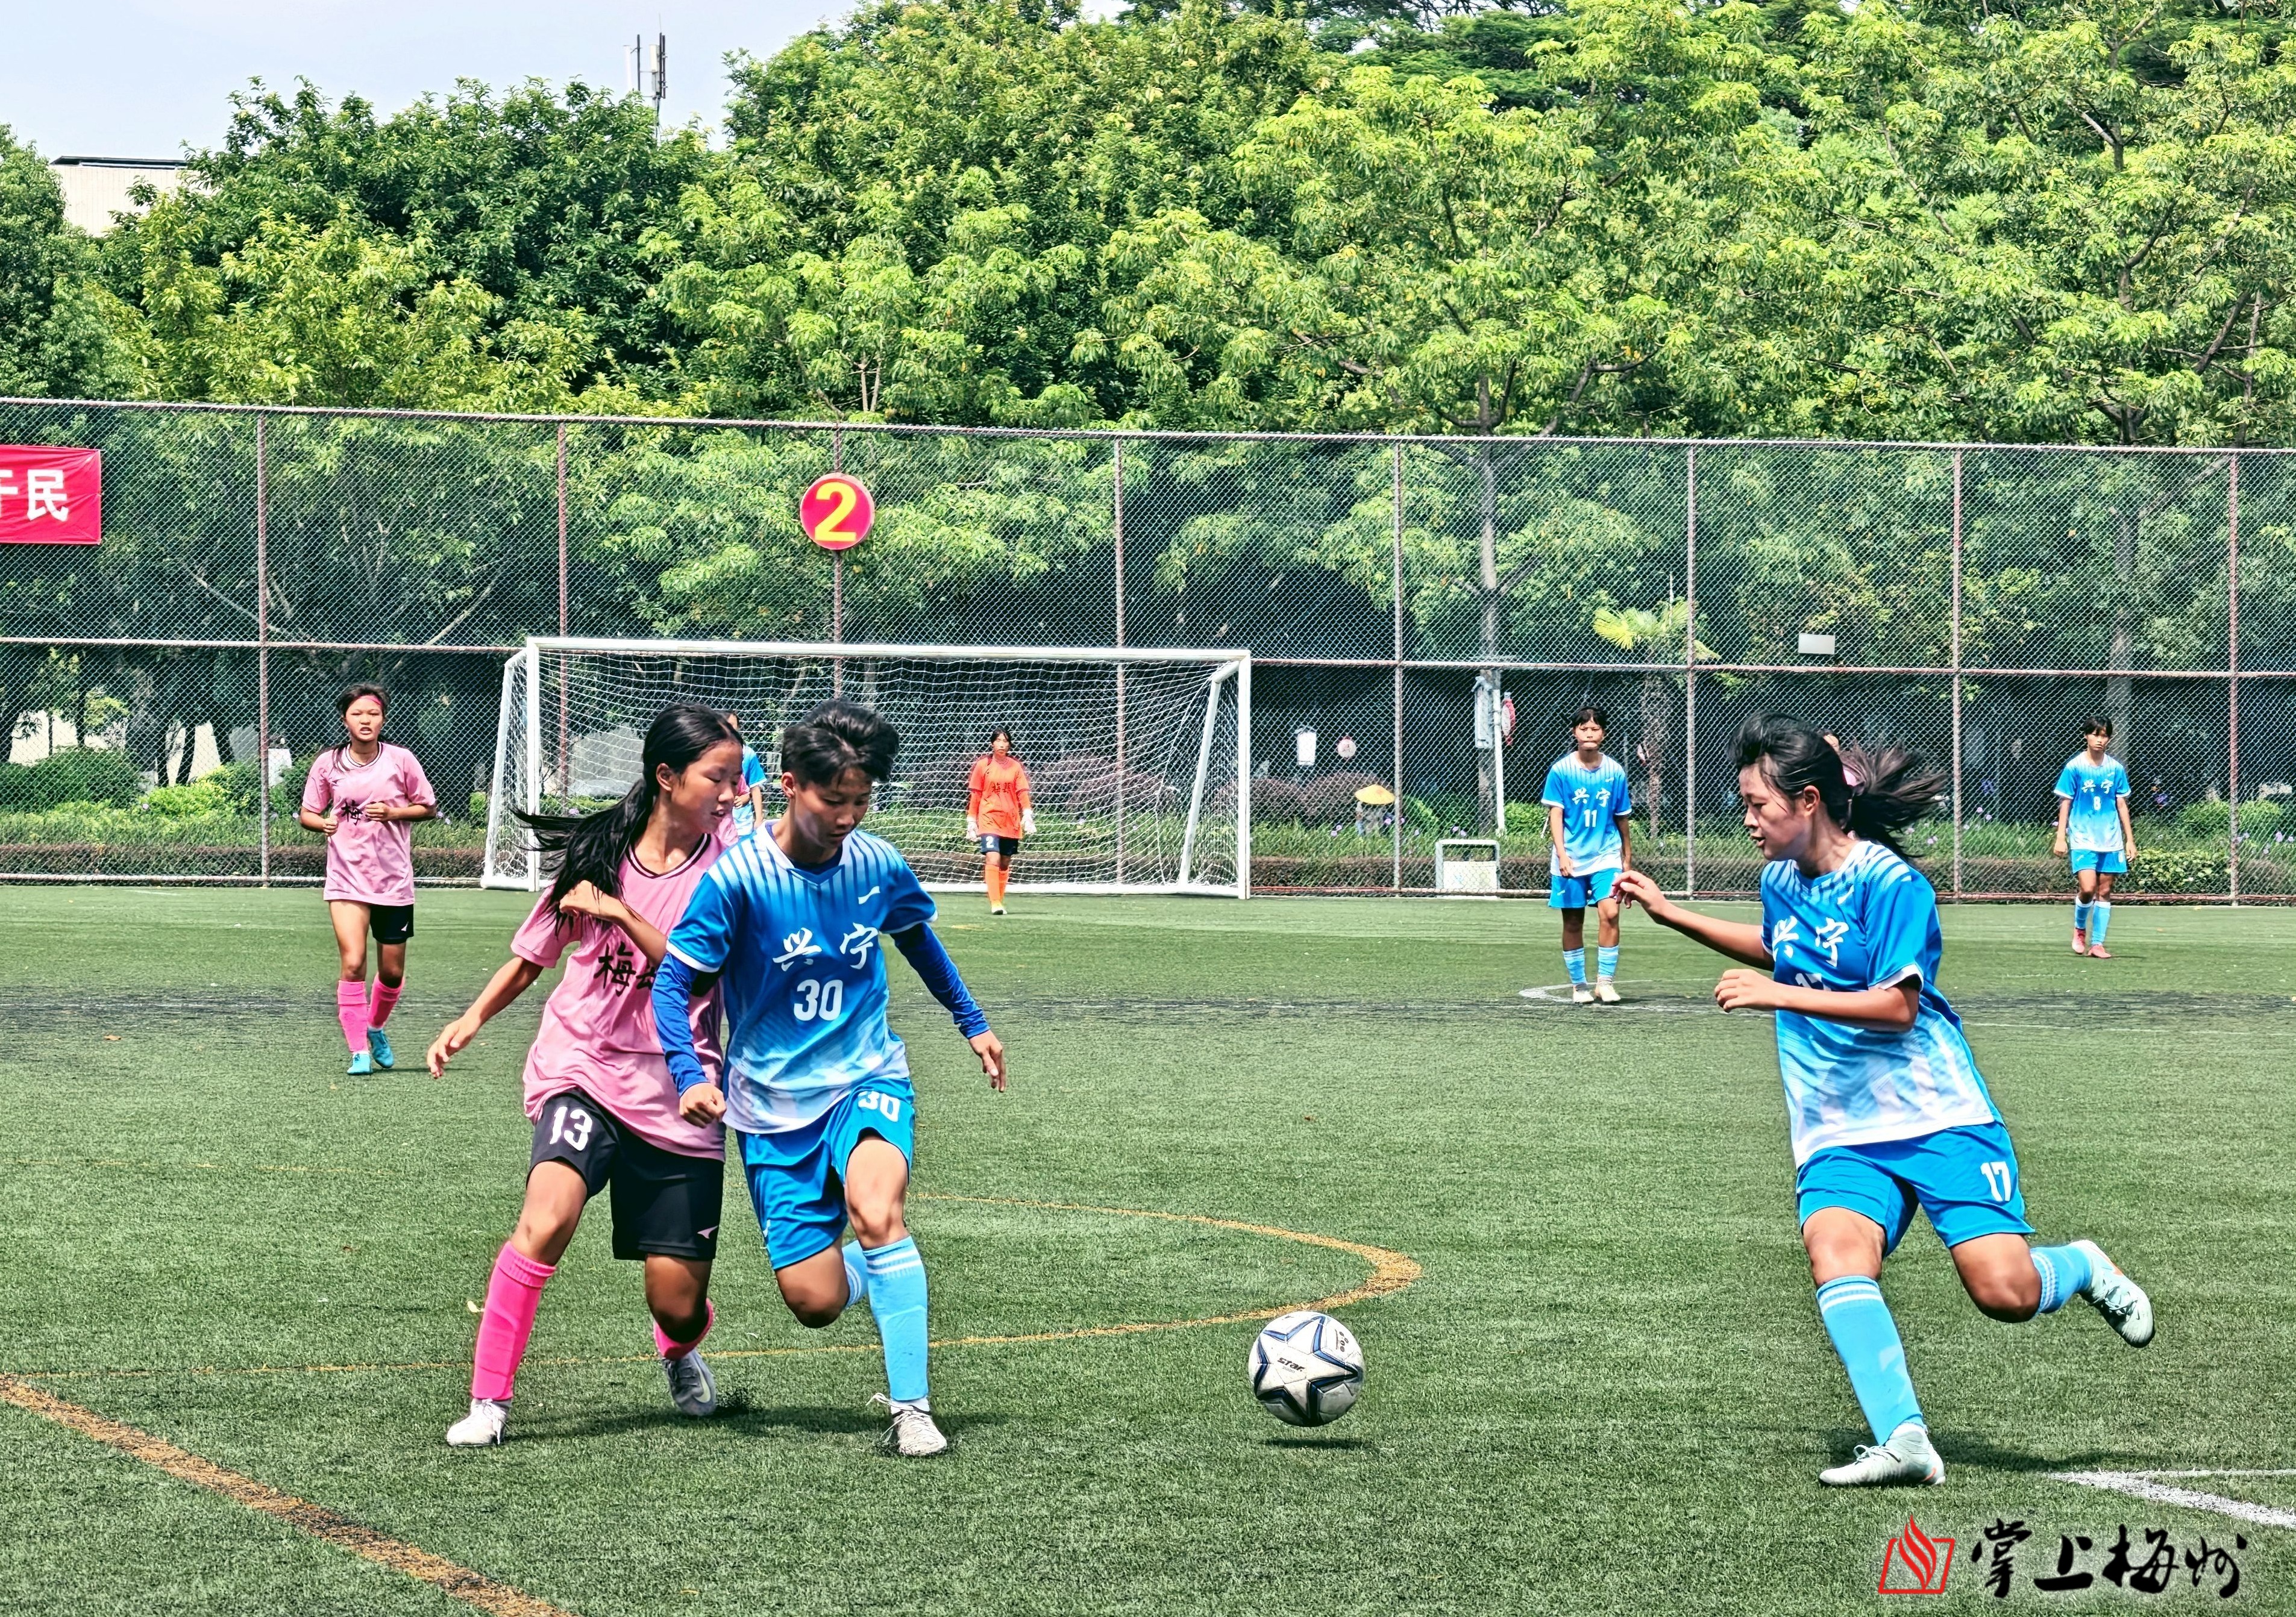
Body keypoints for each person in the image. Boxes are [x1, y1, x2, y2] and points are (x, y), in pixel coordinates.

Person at [1617, 716, 2153, 1488]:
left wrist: (1776, 995)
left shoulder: (1893, 885)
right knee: (1835, 1251)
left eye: (1758, 804)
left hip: (1936, 1114)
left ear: (1808, 801)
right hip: (1837, 1121)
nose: (1748, 819)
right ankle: (1904, 1437)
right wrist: (1674, 915)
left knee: (2004, 1291)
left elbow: (1898, 1006)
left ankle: (2084, 1265)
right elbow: (1785, 949)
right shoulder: (1780, 881)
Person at [652, 699, 1008, 1459]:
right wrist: (689, 1073)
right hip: (771, 1106)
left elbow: (917, 939)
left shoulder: (878, 863)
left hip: (866, 1076)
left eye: (861, 800)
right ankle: (884, 1268)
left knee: (877, 1209)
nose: (848, 816)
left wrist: (972, 1021)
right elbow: (672, 984)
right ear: (789, 784)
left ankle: (913, 1409)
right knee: (813, 1300)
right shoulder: (738, 879)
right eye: (833, 799)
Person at [425, 705, 746, 1448]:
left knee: (675, 1301)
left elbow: (698, 976)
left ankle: (680, 1347)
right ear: (667, 777)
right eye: (719, 778)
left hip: (681, 1088)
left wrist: (619, 913)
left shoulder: (733, 869)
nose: (733, 793)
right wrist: (470, 1019)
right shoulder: (600, 850)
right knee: (546, 1218)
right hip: (584, 1063)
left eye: (737, 779)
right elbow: (534, 954)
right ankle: (488, 1402)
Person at [298, 684, 437, 1075]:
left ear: (383, 719)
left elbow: (427, 807)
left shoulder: (401, 760)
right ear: (345, 719)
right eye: (357, 714)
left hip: (393, 881)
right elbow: (308, 813)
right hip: (346, 879)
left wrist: (394, 814)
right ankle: (358, 1051)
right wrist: (321, 824)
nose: (365, 720)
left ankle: (375, 1027)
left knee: (391, 972)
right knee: (354, 962)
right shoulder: (328, 763)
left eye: (373, 714)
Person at [1541, 707, 1633, 1004]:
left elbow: (1622, 817)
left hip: (1606, 855)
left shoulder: (1615, 772)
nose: (1589, 733)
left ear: (1603, 733)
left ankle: (1605, 983)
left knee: (1611, 913)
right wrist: (1562, 854)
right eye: (1584, 728)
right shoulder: (1561, 770)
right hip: (1571, 856)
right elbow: (1556, 815)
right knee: (1573, 921)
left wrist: (1627, 856)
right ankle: (1579, 986)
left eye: (1595, 729)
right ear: (1575, 733)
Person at [2053, 718, 2136, 959]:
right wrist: (2061, 837)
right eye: (2096, 735)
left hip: (2111, 838)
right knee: (2088, 889)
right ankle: (2080, 929)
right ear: (2086, 736)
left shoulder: (2115, 769)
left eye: (2105, 736)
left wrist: (2130, 840)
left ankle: (2097, 944)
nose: (2100, 740)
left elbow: (2122, 804)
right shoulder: (2075, 767)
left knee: (2105, 890)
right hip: (2083, 837)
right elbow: (2066, 802)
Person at [967, 727, 1034, 915]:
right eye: (998, 741)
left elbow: (1022, 792)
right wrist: (971, 820)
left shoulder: (1015, 767)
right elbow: (976, 795)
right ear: (992, 744)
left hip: (1010, 821)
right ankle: (995, 903)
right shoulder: (983, 765)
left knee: (1005, 862)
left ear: (1010, 745)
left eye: (1005, 741)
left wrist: (1027, 814)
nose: (1002, 744)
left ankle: (999, 900)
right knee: (993, 857)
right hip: (989, 819)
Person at [730, 713, 769, 837]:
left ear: (738, 727)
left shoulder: (748, 754)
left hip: (742, 825)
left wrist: (759, 819)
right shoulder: (708, 754)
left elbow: (754, 788)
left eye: (732, 725)